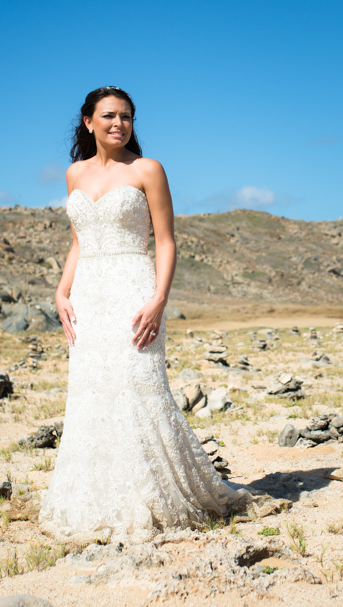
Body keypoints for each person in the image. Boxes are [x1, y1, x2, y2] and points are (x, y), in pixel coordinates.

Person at [39, 86, 252, 544]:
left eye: (127, 117)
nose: (119, 124)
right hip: (89, 295)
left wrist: (159, 298)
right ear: (88, 122)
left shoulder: (148, 169)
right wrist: (61, 290)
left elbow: (166, 240)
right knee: (93, 391)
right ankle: (94, 500)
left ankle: (152, 497)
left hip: (135, 289)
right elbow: (79, 240)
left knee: (139, 384)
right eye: (110, 116)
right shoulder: (74, 174)